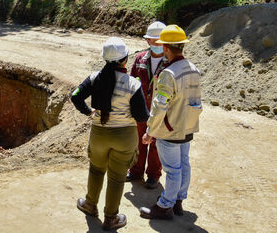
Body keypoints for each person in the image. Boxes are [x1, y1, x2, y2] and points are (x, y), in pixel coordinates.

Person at [72, 37, 149, 231]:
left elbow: (75, 96)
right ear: (125, 59)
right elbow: (141, 116)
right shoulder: (133, 84)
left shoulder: (94, 78)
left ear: (105, 59)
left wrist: (89, 111)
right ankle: (111, 218)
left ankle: (90, 204)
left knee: (96, 170)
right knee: (116, 177)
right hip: (124, 136)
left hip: (99, 134)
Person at [139, 24, 202, 220]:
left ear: (166, 48)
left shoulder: (169, 74)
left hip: (170, 130)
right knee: (184, 165)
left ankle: (164, 206)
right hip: (187, 127)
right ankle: (178, 201)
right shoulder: (193, 69)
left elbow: (159, 106)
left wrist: (150, 130)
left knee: (173, 170)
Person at [126, 21, 168, 189]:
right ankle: (136, 170)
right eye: (153, 41)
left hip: (161, 110)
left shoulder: (171, 61)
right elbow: (131, 82)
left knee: (156, 143)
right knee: (139, 141)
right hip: (141, 108)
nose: (157, 44)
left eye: (160, 41)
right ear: (147, 41)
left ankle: (153, 175)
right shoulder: (139, 59)